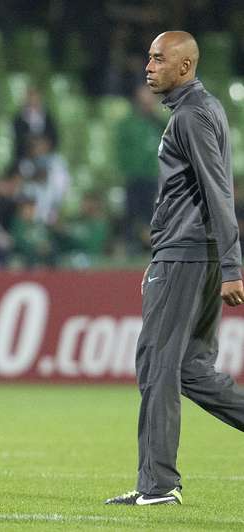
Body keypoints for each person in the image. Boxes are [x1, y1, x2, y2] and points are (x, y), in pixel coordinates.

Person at [106, 31, 244, 506]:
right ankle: (159, 481)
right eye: (147, 57)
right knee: (190, 368)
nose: (148, 67)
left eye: (159, 59)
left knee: (157, 364)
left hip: (186, 256)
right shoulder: (202, 110)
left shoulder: (190, 116)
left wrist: (232, 266)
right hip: (192, 254)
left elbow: (218, 190)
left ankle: (158, 484)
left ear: (185, 67)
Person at [115, 84, 165, 251]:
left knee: (152, 215)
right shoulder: (128, 123)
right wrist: (124, 170)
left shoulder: (159, 123)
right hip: (133, 177)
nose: (149, 102)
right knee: (131, 215)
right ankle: (130, 248)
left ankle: (151, 250)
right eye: (146, 98)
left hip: (153, 176)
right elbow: (120, 150)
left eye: (152, 98)